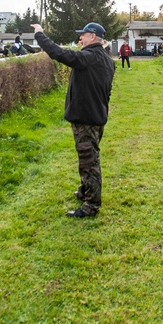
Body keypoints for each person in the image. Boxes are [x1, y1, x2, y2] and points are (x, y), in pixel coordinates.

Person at [31, 21, 115, 218]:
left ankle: (91, 206)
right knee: (89, 157)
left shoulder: (88, 57)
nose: (80, 39)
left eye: (83, 35)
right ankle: (86, 191)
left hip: (86, 119)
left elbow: (59, 53)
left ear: (92, 37)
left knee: (89, 161)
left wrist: (40, 35)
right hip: (97, 117)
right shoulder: (107, 59)